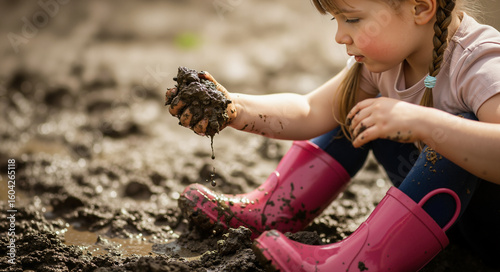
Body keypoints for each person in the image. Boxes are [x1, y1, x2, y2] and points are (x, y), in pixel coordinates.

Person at [166, 0, 500, 270]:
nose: (340, 36)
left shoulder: (481, 62)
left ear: (420, 9)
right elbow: (310, 109)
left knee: (458, 125)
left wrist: (424, 123)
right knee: (352, 109)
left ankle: (360, 262)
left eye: (352, 19)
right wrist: (236, 108)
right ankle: (271, 212)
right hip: (445, 223)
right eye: (336, 20)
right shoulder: (381, 64)